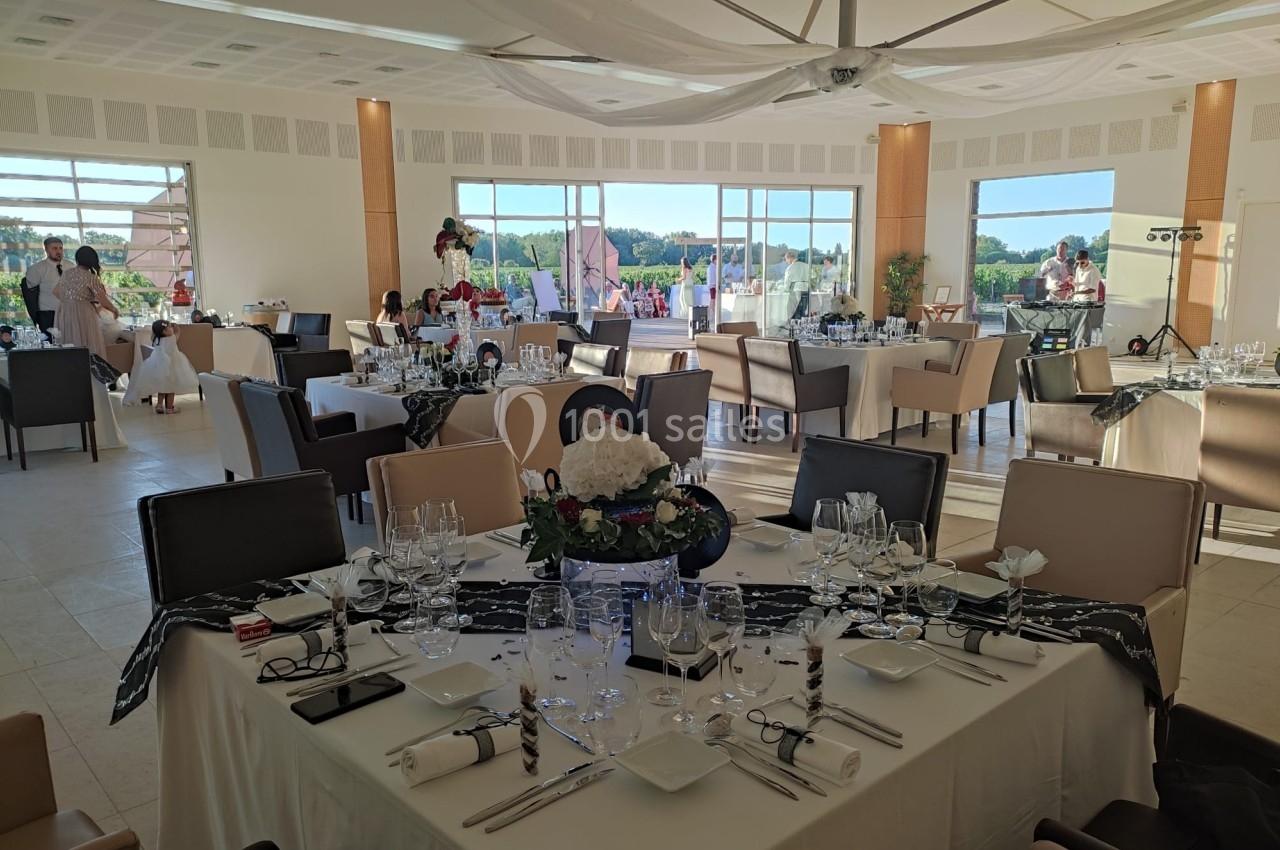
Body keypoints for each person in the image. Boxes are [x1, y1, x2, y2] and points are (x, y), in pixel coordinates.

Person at [52, 246, 118, 359]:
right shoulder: (91, 278)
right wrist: (114, 310)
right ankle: (88, 373)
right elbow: (103, 300)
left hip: (64, 311)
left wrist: (69, 301)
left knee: (68, 342)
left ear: (77, 259)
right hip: (83, 313)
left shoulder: (66, 273)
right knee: (87, 343)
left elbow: (56, 291)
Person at [123, 320, 199, 414]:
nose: (171, 328)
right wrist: (177, 328)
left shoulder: (156, 340)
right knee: (171, 389)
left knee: (162, 387)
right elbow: (178, 333)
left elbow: (152, 335)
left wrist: (157, 329)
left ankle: (159, 405)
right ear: (165, 332)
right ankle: (169, 408)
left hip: (159, 367)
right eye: (170, 327)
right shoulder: (172, 338)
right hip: (172, 367)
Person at [24, 237, 67, 336]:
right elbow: (30, 291)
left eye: (61, 248)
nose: (58, 251)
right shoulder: (36, 269)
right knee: (50, 343)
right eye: (54, 248)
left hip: (68, 312)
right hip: (48, 313)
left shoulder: (70, 266)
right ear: (46, 250)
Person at [783, 251, 811, 319]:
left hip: (795, 289)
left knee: (793, 310)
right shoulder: (806, 265)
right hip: (806, 288)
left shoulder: (790, 267)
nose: (786, 261)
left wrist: (785, 289)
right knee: (803, 310)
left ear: (790, 258)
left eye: (786, 259)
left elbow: (787, 281)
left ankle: (793, 326)